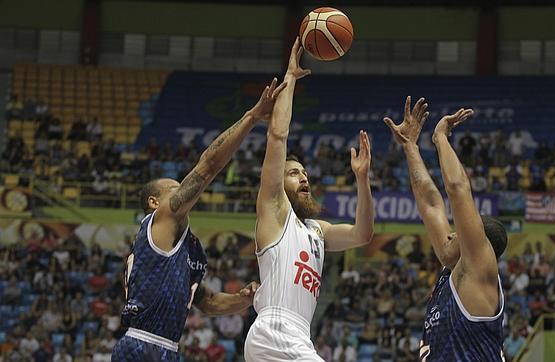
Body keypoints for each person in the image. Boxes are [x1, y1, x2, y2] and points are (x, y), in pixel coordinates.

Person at [111, 77, 288, 361]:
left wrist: (244, 299)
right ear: (154, 203)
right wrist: (253, 116)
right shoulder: (162, 219)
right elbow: (208, 166)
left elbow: (207, 301)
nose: (181, 189)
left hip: (168, 348)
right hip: (143, 344)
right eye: (174, 188)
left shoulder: (186, 247)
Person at [244, 38, 375, 361]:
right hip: (276, 330)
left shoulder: (318, 230)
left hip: (298, 334)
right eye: (293, 173)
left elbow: (363, 234)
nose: (304, 177)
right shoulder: (276, 211)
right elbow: (277, 135)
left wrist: (362, 178)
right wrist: (290, 78)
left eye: (304, 173)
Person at [384, 97, 508, 361]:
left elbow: (457, 188)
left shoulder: (478, 267)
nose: (450, 233)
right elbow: (430, 203)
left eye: (459, 233)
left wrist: (440, 137)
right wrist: (410, 148)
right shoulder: (453, 270)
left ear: (474, 241)